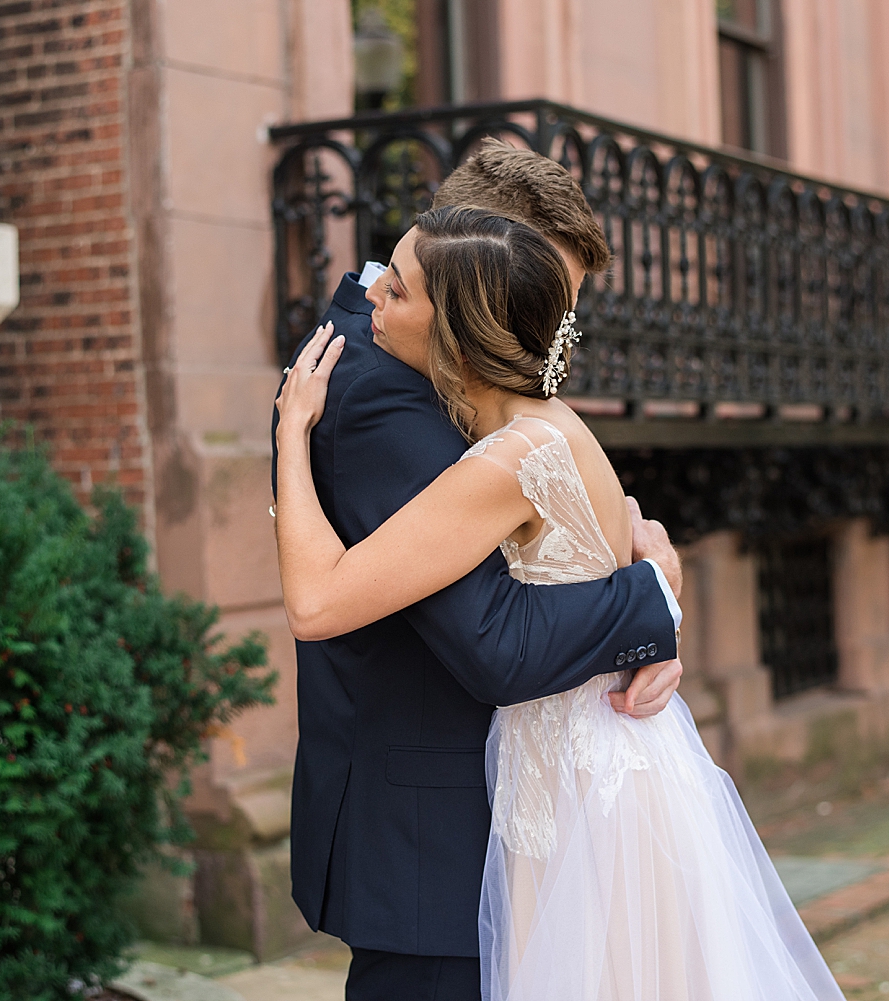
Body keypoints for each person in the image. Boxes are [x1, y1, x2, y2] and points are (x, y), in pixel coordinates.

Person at [275, 205, 845, 1001]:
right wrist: (652, 587)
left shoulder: (506, 455)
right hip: (599, 771)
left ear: (459, 335)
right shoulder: (547, 426)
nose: (375, 297)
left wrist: (290, 442)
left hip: (565, 793)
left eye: (398, 291)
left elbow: (319, 601)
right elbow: (599, 539)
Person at [270, 142, 688, 1001]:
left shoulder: (463, 375)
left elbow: (539, 525)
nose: (549, 329)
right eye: (539, 292)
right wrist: (652, 602)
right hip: (435, 844)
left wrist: (639, 566)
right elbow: (492, 638)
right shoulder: (382, 384)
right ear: (477, 268)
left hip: (511, 826)